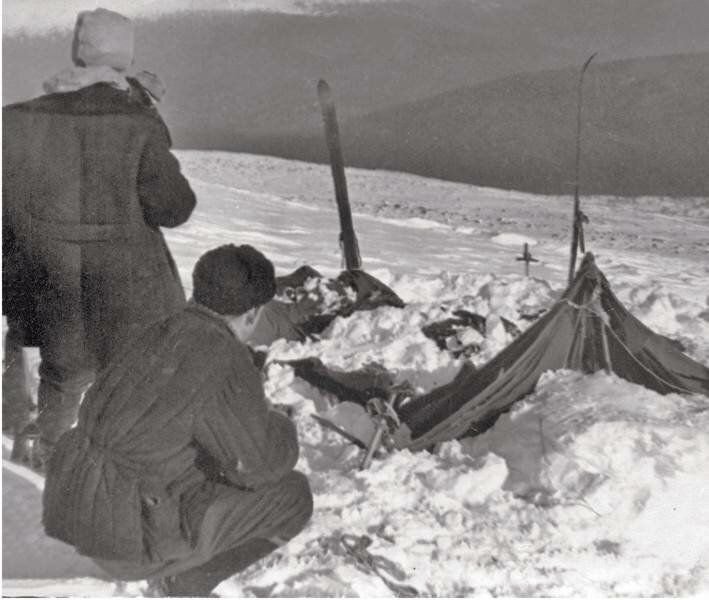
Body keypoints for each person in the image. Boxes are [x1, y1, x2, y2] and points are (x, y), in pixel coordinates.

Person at [42, 244, 313, 597]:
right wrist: (280, 424)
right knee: (293, 495)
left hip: (73, 507)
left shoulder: (157, 329)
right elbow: (255, 466)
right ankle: (184, 584)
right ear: (252, 314)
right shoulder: (222, 355)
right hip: (127, 539)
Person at [2, 8, 196, 465]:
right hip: (129, 290)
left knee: (63, 374)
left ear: (77, 50)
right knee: (133, 381)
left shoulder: (15, 122)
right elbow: (173, 208)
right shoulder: (138, 121)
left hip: (50, 284)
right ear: (124, 59)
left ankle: (41, 454)